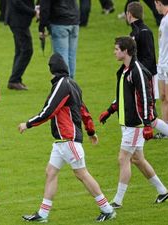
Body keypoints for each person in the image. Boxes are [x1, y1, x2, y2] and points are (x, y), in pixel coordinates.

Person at [19, 53, 116, 222]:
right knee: (50, 172)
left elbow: (48, 111)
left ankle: (107, 209)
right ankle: (43, 214)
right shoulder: (73, 84)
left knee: (82, 174)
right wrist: (91, 132)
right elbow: (84, 111)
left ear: (51, 70)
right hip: (61, 142)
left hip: (68, 139)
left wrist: (27, 124)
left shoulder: (61, 85)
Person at [99, 36, 168, 208]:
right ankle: (163, 192)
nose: (114, 52)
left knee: (123, 158)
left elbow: (146, 98)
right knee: (138, 159)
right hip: (128, 122)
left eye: (116, 49)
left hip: (135, 124)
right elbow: (124, 96)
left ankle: (117, 201)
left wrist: (146, 124)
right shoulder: (124, 70)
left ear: (125, 51)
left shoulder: (137, 70)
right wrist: (110, 110)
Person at [127, 1, 168, 138]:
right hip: (156, 68)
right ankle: (163, 129)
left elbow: (148, 56)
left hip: (154, 71)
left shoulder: (144, 31)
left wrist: (142, 72)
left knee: (155, 104)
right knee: (160, 100)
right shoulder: (161, 21)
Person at [38, 0, 79, 79]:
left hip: (59, 22)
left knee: (62, 58)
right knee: (72, 56)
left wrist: (42, 27)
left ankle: (65, 84)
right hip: (74, 20)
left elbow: (44, 8)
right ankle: (71, 83)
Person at [5, 0, 37, 90]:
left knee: (20, 51)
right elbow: (18, 3)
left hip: (18, 20)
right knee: (27, 50)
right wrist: (34, 12)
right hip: (18, 20)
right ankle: (14, 80)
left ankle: (15, 79)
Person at [155, 0, 168, 138]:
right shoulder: (164, 19)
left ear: (158, 3)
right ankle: (165, 129)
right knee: (163, 97)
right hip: (162, 65)